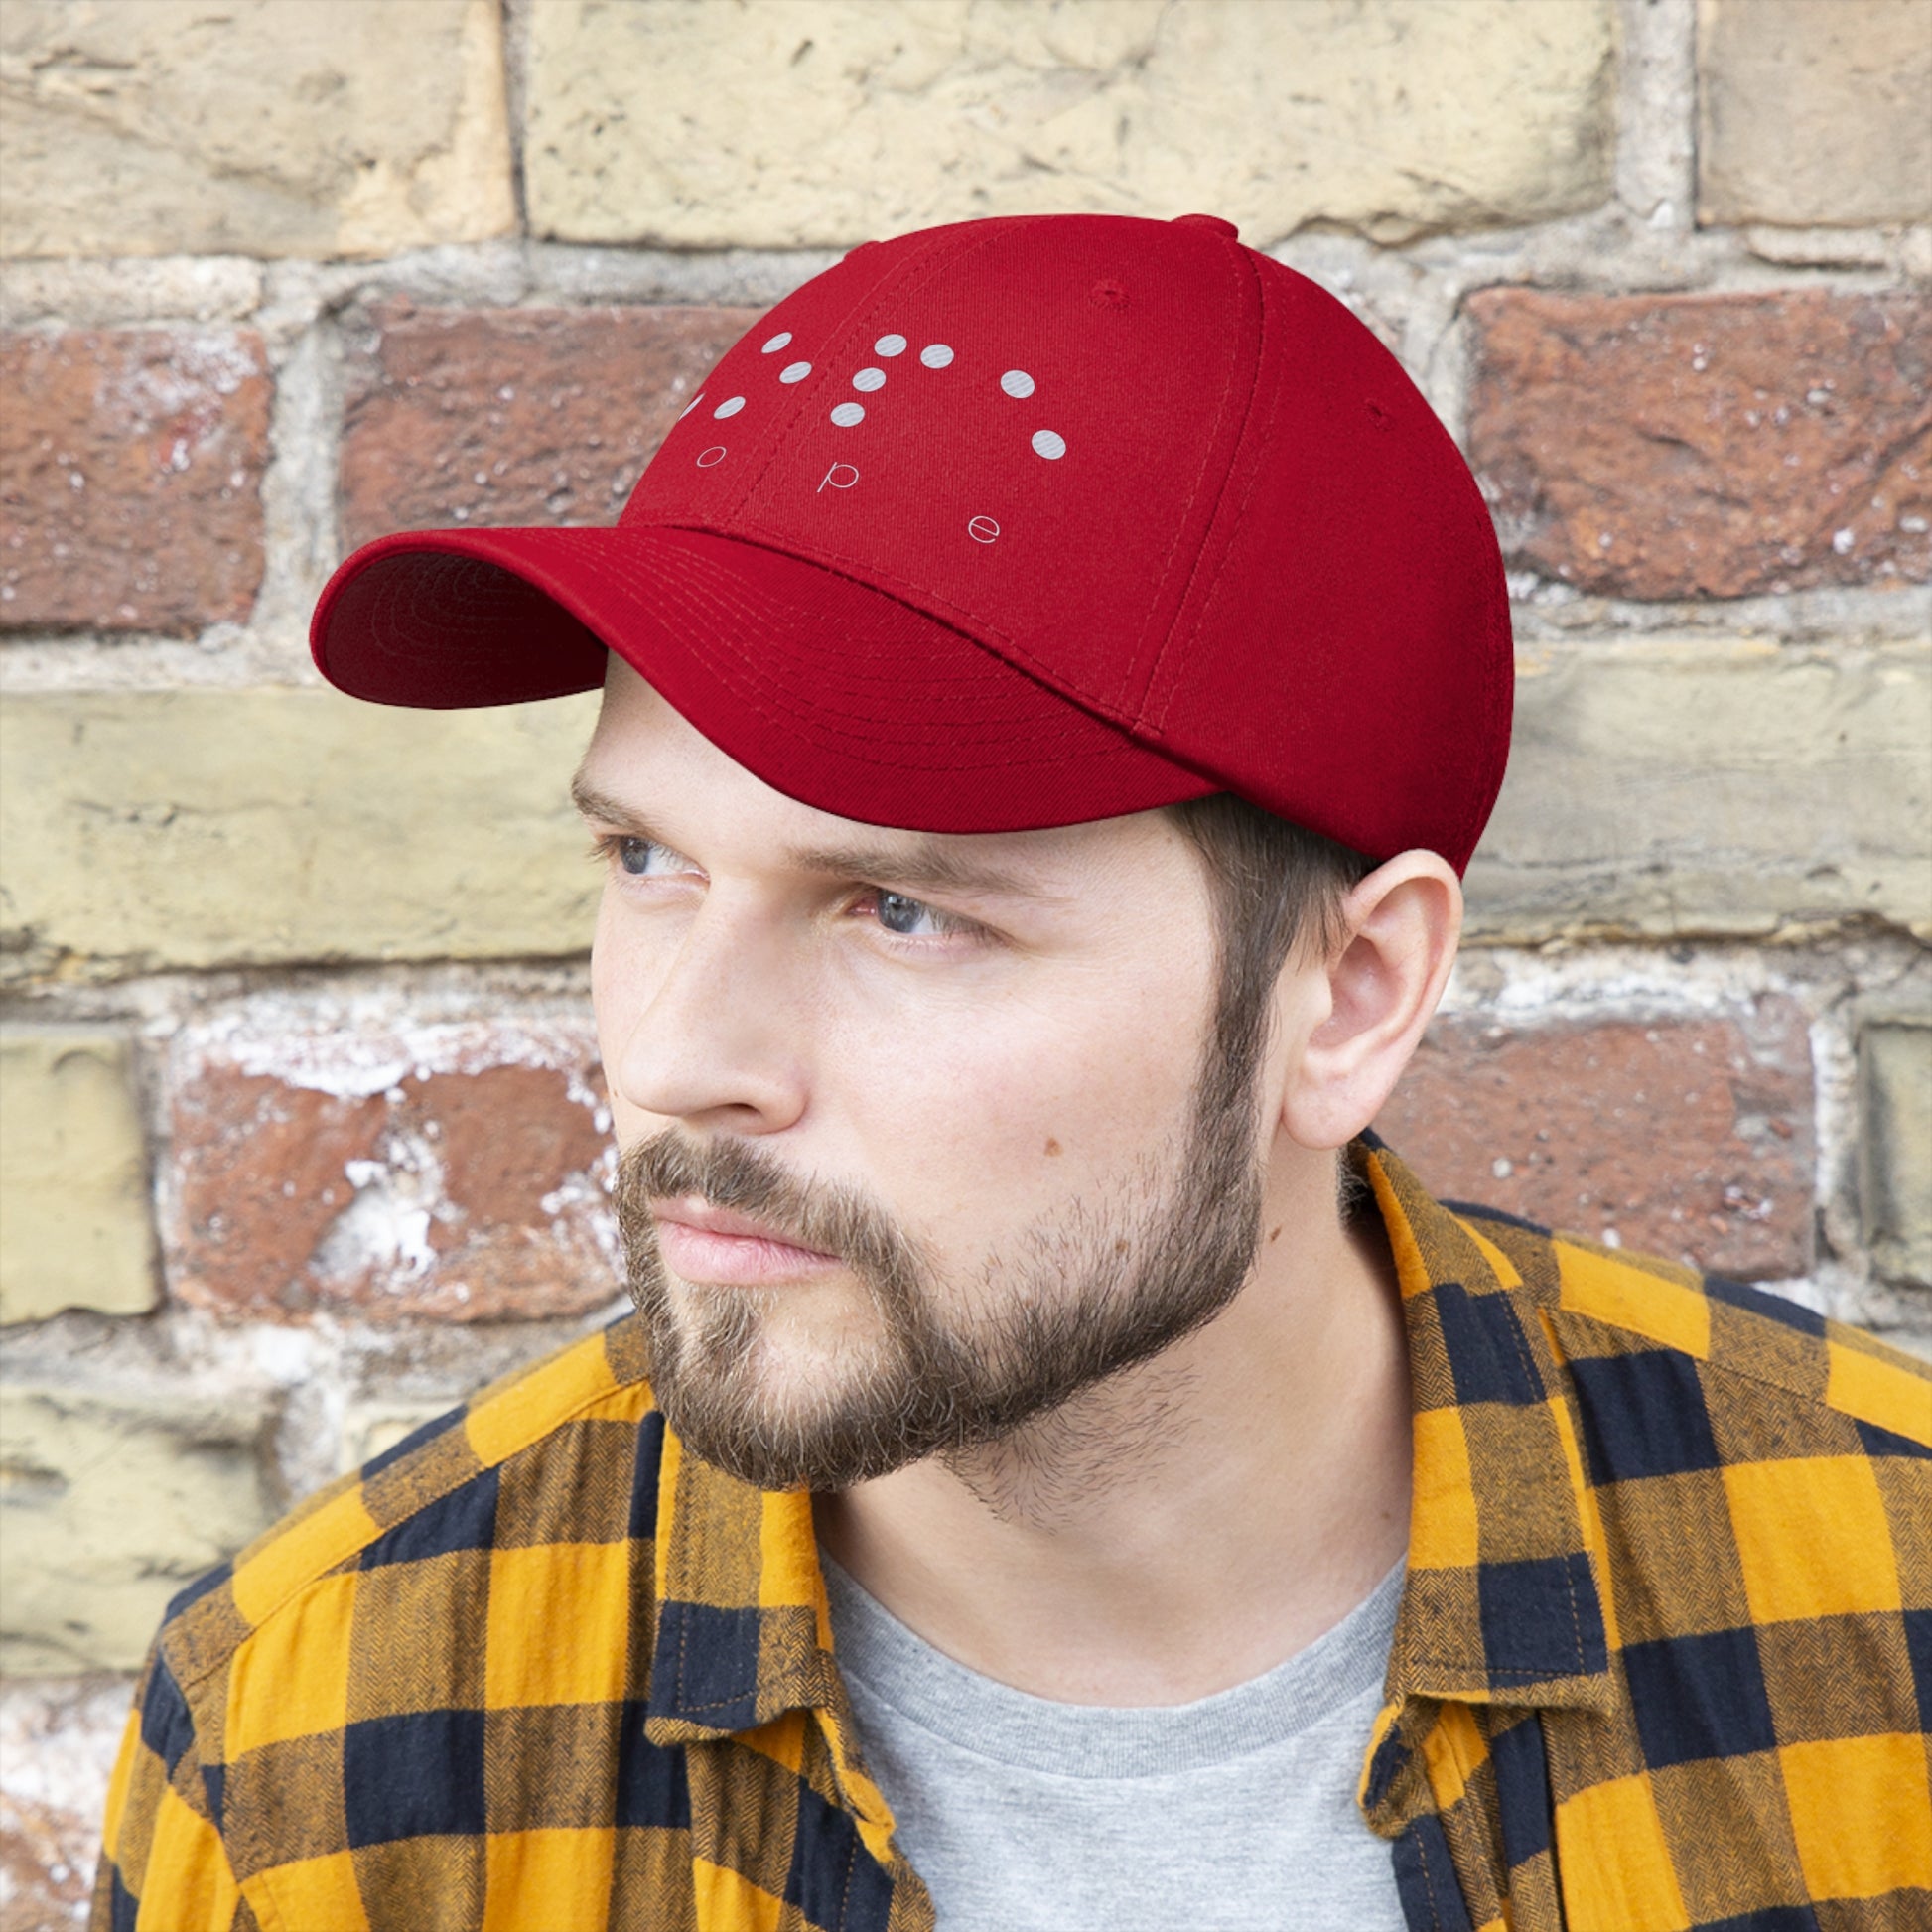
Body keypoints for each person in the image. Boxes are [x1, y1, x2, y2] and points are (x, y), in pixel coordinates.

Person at [95, 213, 1929, 1932]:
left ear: (1349, 992)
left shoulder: (1883, 1608)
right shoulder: (315, 1751)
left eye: (898, 909)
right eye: (649, 862)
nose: (675, 1059)